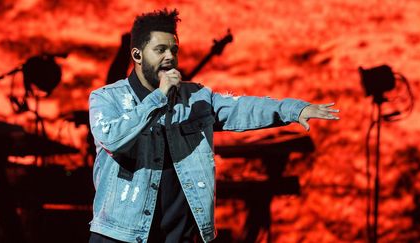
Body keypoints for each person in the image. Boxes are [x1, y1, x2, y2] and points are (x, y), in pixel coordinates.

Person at [88, 8, 339, 243]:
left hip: (182, 235)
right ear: (137, 55)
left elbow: (241, 107)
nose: (170, 57)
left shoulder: (195, 98)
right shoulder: (106, 98)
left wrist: (294, 110)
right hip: (121, 235)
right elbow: (113, 138)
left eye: (174, 50)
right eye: (161, 49)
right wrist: (159, 97)